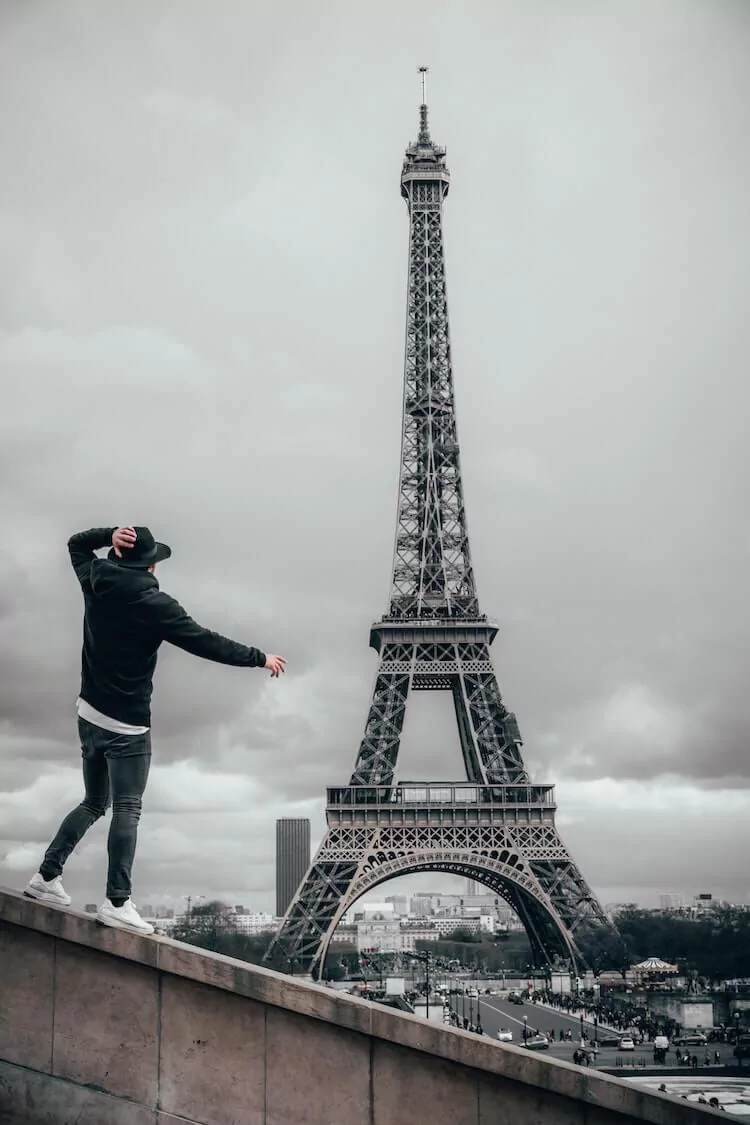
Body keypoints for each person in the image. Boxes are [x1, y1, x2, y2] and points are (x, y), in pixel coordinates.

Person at [24, 526, 286, 935]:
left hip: (88, 713)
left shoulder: (93, 577)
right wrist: (259, 658)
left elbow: (76, 543)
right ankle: (117, 901)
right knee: (127, 809)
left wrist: (108, 533)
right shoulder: (155, 603)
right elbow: (205, 641)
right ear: (151, 563)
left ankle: (46, 877)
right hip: (127, 725)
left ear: (117, 552)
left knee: (94, 803)